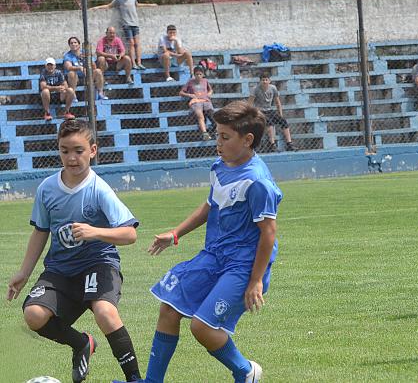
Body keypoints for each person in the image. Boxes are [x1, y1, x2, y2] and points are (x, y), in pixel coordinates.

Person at [143, 101, 279, 383]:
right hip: (214, 256)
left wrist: (255, 281)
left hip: (243, 266)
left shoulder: (257, 182)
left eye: (224, 137)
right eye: (217, 134)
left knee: (202, 327)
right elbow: (209, 206)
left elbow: (268, 233)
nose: (217, 142)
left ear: (248, 140)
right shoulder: (220, 166)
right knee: (168, 308)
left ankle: (245, 372)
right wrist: (176, 233)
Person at [5, 119, 142, 383]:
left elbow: (130, 234)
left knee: (105, 312)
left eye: (78, 150)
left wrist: (96, 232)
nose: (71, 157)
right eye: (64, 150)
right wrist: (24, 272)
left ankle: (135, 379)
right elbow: (40, 231)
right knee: (33, 315)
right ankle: (82, 343)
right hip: (60, 270)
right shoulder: (47, 189)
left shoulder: (99, 189)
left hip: (98, 264)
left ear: (93, 150)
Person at [91, 0, 157, 70]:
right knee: (132, 43)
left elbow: (138, 5)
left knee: (137, 43)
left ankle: (139, 62)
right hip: (127, 24)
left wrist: (151, 5)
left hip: (135, 24)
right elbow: (109, 6)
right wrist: (97, 7)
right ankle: (133, 63)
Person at [247, 73, 296, 152]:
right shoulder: (255, 89)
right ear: (260, 81)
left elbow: (277, 102)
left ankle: (289, 143)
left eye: (266, 80)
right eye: (263, 80)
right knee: (269, 123)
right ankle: (272, 144)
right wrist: (251, 114)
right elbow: (249, 103)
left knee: (283, 122)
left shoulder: (273, 88)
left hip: (269, 110)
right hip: (260, 111)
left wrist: (280, 114)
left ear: (269, 81)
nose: (265, 82)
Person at [64, 36, 107, 101]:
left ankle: (100, 93)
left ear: (78, 44)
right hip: (76, 79)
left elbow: (94, 66)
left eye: (75, 42)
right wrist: (79, 68)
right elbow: (68, 67)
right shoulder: (68, 55)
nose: (73, 44)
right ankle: (73, 95)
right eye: (71, 43)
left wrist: (87, 58)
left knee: (98, 71)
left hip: (87, 77)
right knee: (71, 73)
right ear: (69, 45)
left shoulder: (85, 53)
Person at [180, 66, 215, 141]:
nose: (198, 76)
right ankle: (205, 133)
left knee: (212, 115)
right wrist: (189, 95)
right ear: (194, 75)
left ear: (203, 75)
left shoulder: (205, 81)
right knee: (200, 116)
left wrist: (209, 93)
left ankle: (215, 132)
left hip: (205, 101)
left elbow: (211, 90)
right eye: (197, 74)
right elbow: (181, 92)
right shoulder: (190, 82)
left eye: (200, 74)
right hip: (196, 101)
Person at [40, 57, 76, 121]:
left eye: (52, 65)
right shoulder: (43, 73)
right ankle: (47, 113)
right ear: (45, 66)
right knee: (45, 91)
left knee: (70, 90)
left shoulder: (59, 73)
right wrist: (56, 88)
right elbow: (43, 86)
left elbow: (65, 85)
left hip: (59, 95)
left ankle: (67, 112)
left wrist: (62, 89)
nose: (50, 67)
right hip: (48, 97)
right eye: (48, 65)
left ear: (55, 66)